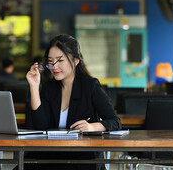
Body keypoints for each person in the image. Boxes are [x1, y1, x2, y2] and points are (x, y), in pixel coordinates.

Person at [25, 34, 121, 170]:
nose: (54, 66)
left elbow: (115, 121)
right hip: (50, 155)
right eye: (51, 61)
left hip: (82, 156)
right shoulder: (49, 87)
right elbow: (41, 126)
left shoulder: (90, 86)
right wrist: (34, 87)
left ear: (75, 61)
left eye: (60, 60)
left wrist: (92, 127)